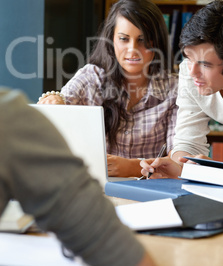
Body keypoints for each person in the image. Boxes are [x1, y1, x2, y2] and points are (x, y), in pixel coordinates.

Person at [0, 88, 155, 266]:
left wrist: (132, 166)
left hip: (140, 186)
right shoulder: (10, 117)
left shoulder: (9, 117)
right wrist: (54, 97)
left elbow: (180, 151)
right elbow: (65, 96)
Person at [38, 0, 178, 178]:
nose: (132, 49)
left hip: (151, 197)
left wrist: (131, 167)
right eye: (124, 39)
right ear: (112, 39)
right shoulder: (92, 77)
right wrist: (54, 100)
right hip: (96, 194)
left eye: (143, 40)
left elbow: (177, 164)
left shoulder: (174, 89)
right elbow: (63, 100)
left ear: (157, 41)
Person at [140, 0, 223, 179]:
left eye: (205, 64)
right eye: (188, 58)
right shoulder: (189, 70)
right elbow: (187, 141)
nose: (192, 72)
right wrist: (181, 165)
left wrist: (222, 172)